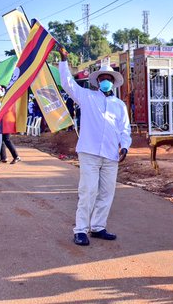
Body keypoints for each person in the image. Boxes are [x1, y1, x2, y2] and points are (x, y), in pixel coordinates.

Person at [58, 45, 132, 246]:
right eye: (102, 79)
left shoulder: (120, 105)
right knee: (88, 191)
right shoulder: (87, 97)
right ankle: (80, 230)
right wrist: (64, 60)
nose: (105, 81)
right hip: (89, 152)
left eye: (108, 79)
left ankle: (98, 227)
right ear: (97, 82)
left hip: (111, 155)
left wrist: (124, 146)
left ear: (113, 82)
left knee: (107, 193)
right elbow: (67, 84)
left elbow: (125, 129)